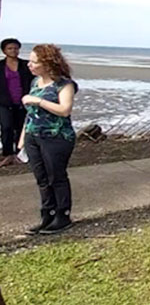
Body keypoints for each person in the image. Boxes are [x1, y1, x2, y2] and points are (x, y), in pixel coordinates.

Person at [19, 44, 79, 235]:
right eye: (29, 61)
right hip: (33, 136)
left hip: (57, 137)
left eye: (34, 62)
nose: (29, 65)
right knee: (42, 179)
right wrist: (22, 138)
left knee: (56, 177)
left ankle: (63, 215)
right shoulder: (35, 82)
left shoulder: (64, 84)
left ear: (47, 63)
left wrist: (38, 101)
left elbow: (64, 110)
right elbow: (31, 115)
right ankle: (48, 214)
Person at [0, 38, 33, 167]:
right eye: (10, 48)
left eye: (15, 48)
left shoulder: (26, 65)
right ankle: (7, 154)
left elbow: (35, 79)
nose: (13, 51)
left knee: (21, 128)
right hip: (4, 102)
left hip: (22, 102)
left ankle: (20, 154)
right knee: (6, 127)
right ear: (4, 51)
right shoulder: (0, 66)